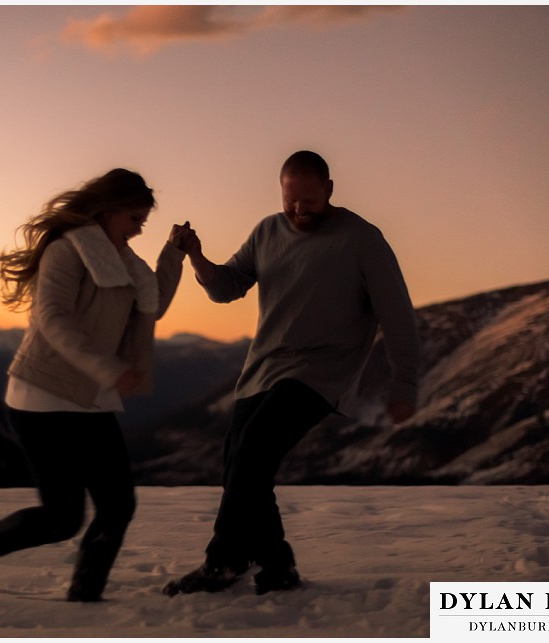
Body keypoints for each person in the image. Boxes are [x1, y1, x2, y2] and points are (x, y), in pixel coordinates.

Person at [0, 168, 192, 612]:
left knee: (117, 506)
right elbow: (52, 319)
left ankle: (85, 599)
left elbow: (153, 303)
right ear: (107, 211)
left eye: (143, 220)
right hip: (42, 397)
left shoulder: (126, 262)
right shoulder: (67, 251)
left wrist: (174, 252)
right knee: (62, 518)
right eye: (134, 218)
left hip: (90, 398)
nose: (139, 227)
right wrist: (107, 367)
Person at [164, 151, 420, 597]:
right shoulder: (267, 230)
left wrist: (404, 385)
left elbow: (397, 315)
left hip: (322, 371)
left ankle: (223, 563)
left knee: (253, 454)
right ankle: (276, 568)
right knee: (240, 464)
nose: (299, 209)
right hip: (264, 365)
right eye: (290, 200)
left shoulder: (362, 239)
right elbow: (226, 289)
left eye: (309, 200)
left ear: (330, 190)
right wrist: (196, 256)